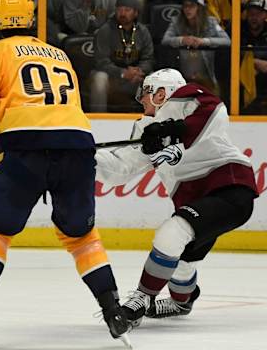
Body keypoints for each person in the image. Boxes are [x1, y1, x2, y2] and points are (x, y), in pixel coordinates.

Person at [0, 0, 131, 348]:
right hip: (77, 148)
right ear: (30, 20)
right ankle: (114, 311)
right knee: (82, 238)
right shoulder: (59, 54)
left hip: (24, 150)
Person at [95, 68, 258, 326]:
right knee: (181, 259)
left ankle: (142, 298)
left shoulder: (188, 97)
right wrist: (83, 158)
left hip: (229, 189)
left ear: (162, 93)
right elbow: (120, 168)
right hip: (196, 201)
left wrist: (173, 129)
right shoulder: (147, 129)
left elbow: (212, 111)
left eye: (146, 94)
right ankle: (183, 301)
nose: (142, 100)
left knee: (172, 232)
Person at [90, 0, 154, 112]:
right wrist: (123, 73)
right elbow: (101, 62)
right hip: (112, 77)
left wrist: (139, 71)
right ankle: (98, 119)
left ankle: (151, 119)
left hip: (136, 77)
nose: (122, 13)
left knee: (153, 79)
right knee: (99, 78)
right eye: (119, 9)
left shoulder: (143, 31)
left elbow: (148, 58)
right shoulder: (105, 30)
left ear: (136, 13)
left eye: (127, 10)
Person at [161, 0, 230, 94]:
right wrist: (182, 40)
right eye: (185, 6)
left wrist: (204, 41)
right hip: (183, 78)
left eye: (192, 6)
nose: (188, 9)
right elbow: (165, 40)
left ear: (200, 8)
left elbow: (227, 41)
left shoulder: (211, 22)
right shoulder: (176, 22)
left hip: (206, 77)